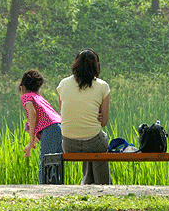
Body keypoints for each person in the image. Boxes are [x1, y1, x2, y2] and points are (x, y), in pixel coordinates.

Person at [57, 49, 111, 184]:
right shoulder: (102, 86)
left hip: (68, 143)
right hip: (93, 142)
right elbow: (104, 122)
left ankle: (87, 184)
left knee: (90, 138)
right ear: (96, 66)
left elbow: (64, 113)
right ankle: (103, 186)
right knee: (100, 139)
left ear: (75, 64)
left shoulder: (63, 84)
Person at [19, 69, 63, 184]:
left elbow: (32, 115)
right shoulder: (40, 98)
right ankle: (58, 188)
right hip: (60, 127)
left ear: (22, 88)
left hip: (51, 128)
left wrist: (31, 139)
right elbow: (43, 119)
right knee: (56, 163)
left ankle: (44, 190)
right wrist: (34, 138)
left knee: (45, 163)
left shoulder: (26, 96)